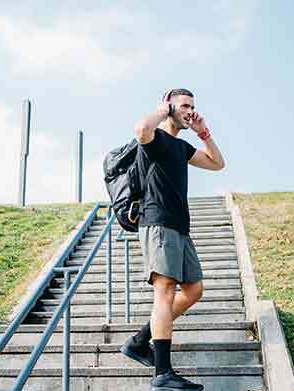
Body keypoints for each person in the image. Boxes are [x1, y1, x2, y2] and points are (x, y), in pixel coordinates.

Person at [119, 88, 225, 391]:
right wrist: (164, 112)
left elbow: (217, 163)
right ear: (167, 107)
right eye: (183, 106)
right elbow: (141, 128)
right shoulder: (155, 140)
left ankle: (140, 342)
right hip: (158, 223)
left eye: (192, 106)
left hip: (180, 226)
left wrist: (202, 131)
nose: (189, 110)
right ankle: (162, 373)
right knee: (164, 292)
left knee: (193, 290)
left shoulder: (181, 146)